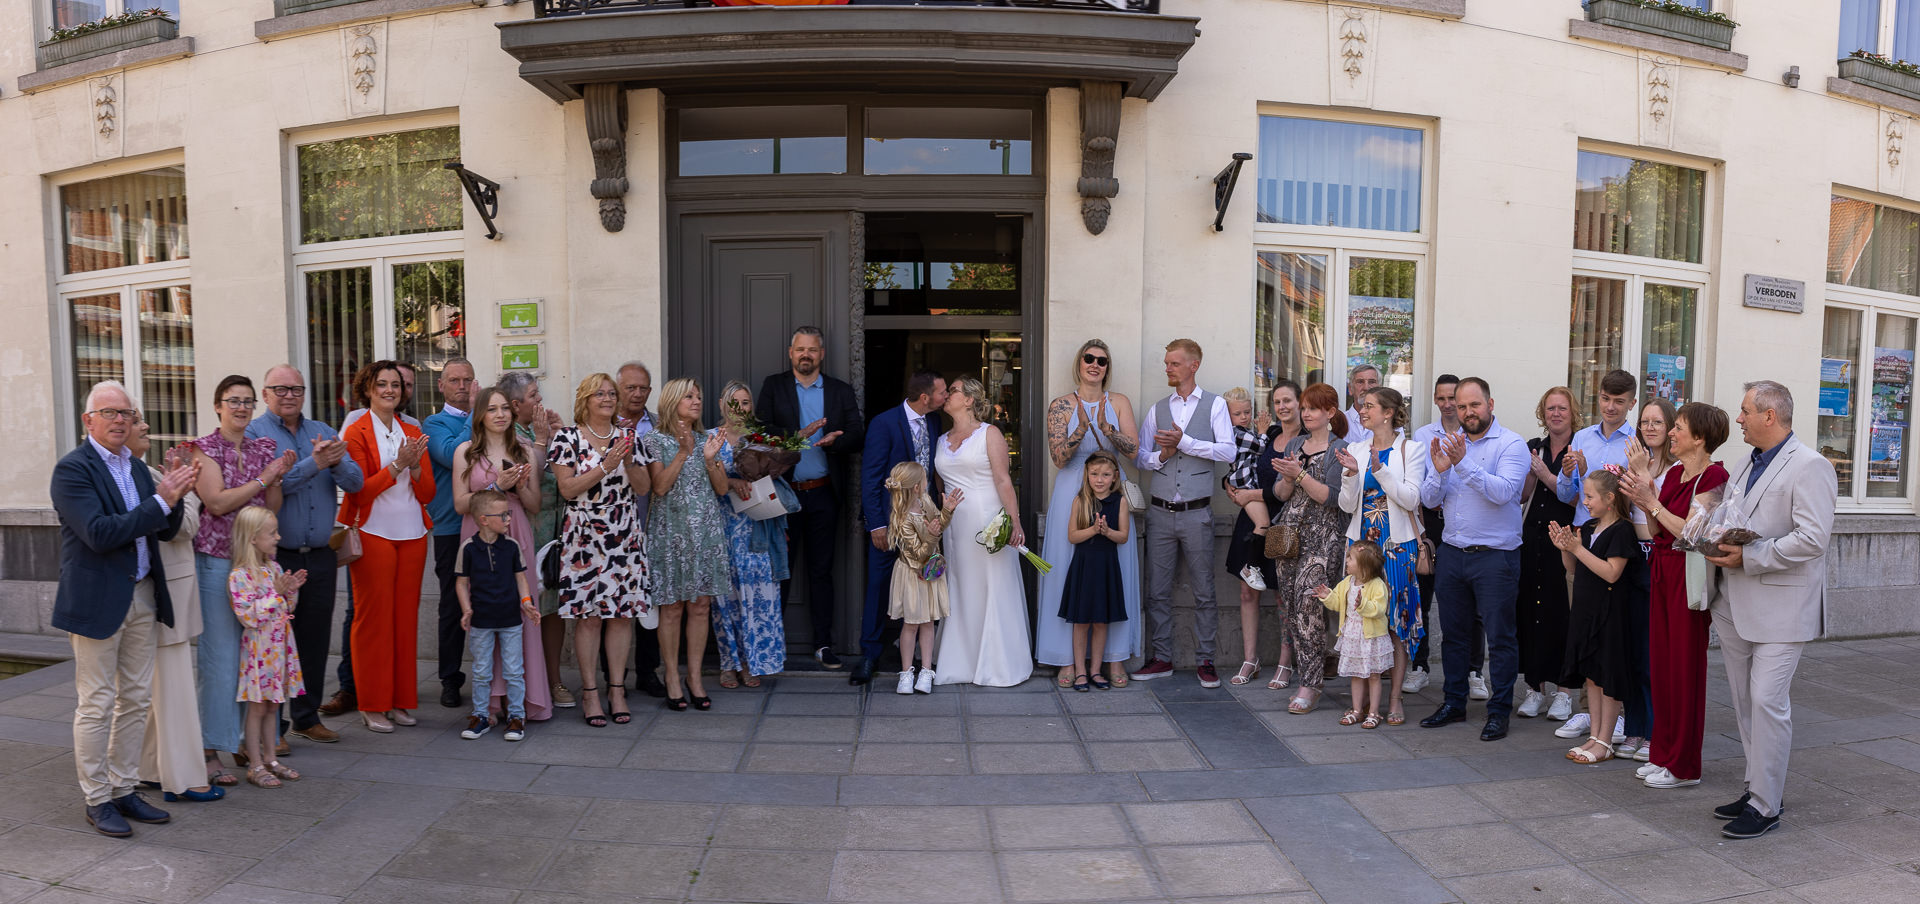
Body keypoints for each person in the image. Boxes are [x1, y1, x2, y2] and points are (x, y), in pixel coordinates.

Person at [53, 382, 195, 837]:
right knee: (96, 702)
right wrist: (160, 500)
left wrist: (174, 493)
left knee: (135, 699)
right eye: (110, 412)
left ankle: (124, 787)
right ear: (87, 421)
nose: (120, 420)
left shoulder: (135, 467)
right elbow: (98, 532)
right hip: (97, 601)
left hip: (142, 594)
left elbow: (164, 529)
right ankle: (97, 800)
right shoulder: (72, 470)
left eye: (127, 413)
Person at [1703, 381, 1836, 839]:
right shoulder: (1745, 463)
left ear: (1769, 416)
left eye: (1743, 412)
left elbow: (1814, 538)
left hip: (1783, 605)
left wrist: (1751, 557)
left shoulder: (1811, 466)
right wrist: (1710, 531)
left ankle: (1766, 805)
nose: (1737, 419)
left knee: (1767, 701)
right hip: (1735, 600)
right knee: (1744, 701)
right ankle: (1757, 785)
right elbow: (1736, 516)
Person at [247, 364, 364, 745]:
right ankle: (272, 728)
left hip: (320, 556)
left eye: (296, 389)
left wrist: (339, 459)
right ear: (265, 394)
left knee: (314, 640)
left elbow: (355, 482)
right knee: (275, 641)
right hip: (275, 558)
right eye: (279, 389)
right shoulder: (255, 435)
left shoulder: (323, 433)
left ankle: (306, 716)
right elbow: (267, 489)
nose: (289, 395)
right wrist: (316, 463)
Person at [184, 375, 294, 776]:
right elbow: (215, 502)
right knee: (222, 659)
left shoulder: (264, 447)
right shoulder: (204, 448)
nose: (242, 408)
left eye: (248, 401)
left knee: (254, 658)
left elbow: (272, 506)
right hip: (216, 561)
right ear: (217, 405)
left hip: (254, 566)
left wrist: (276, 480)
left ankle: (244, 745)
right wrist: (265, 477)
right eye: (233, 401)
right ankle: (211, 748)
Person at [1623, 401, 1730, 790]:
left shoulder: (1715, 476)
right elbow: (1656, 530)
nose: (1670, 432)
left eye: (1678, 427)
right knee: (1662, 666)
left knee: (1684, 670)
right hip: (1663, 572)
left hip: (1687, 574)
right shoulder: (1674, 476)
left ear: (1699, 437)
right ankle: (1663, 754)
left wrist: (1651, 502)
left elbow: (1692, 532)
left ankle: (1685, 766)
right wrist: (1644, 494)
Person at [1417, 377, 1530, 742]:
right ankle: (1454, 702)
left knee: (1499, 638)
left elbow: (1503, 493)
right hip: (1452, 553)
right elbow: (1432, 500)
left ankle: (1498, 711)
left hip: (1496, 557)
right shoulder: (1452, 445)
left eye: (1474, 405)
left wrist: (1462, 464)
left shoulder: (1511, 444)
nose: (1467, 412)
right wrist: (1439, 469)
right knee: (1454, 636)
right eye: (1462, 407)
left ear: (1490, 404)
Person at [756, 327, 866, 670]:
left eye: (813, 350)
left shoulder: (839, 391)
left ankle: (822, 644)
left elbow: (857, 434)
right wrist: (796, 436)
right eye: (801, 349)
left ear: (821, 354)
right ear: (791, 353)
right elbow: (759, 431)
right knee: (780, 571)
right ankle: (772, 645)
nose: (806, 355)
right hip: (783, 496)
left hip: (822, 494)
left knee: (821, 572)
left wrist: (837, 441)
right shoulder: (774, 386)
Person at [550, 374, 654, 726]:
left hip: (623, 532)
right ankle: (591, 694)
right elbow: (567, 489)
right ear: (585, 400)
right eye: (600, 393)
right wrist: (604, 466)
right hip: (583, 535)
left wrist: (625, 463)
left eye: (612, 393)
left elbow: (643, 487)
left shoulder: (629, 437)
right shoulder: (567, 438)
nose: (608, 399)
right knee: (589, 618)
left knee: (622, 615)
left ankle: (617, 689)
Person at [338, 361, 435, 734]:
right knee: (372, 621)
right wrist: (398, 465)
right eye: (382, 384)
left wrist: (413, 469)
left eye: (396, 385)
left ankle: (400, 701)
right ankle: (372, 704)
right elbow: (359, 489)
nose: (390, 390)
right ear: (368, 389)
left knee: (404, 620)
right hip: (373, 531)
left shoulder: (413, 428)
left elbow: (427, 492)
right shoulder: (356, 427)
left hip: (412, 533)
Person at [1036, 340, 1140, 688]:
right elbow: (1058, 458)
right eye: (1089, 358)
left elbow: (1133, 450)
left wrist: (1107, 428)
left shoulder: (1120, 402)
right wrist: (1081, 427)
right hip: (1072, 490)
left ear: (1107, 367)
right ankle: (1066, 657)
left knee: (1115, 569)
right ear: (1079, 362)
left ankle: (1113, 658)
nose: (1095, 364)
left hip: (1111, 488)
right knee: (1067, 569)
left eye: (1102, 361)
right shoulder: (1061, 405)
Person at [1132, 339, 1235, 687]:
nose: (1167, 369)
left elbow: (1228, 451)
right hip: (1160, 511)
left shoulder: (1216, 405)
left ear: (1193, 365)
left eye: (1174, 363)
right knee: (1157, 590)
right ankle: (1162, 658)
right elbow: (1141, 457)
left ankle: (1206, 659)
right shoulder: (1158, 408)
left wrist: (1185, 443)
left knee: (1204, 589)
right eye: (1166, 363)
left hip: (1197, 512)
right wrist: (1160, 457)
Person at [452, 387, 553, 723]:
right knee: (485, 613)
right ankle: (490, 702)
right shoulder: (465, 452)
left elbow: (536, 505)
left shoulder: (523, 450)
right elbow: (460, 503)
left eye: (504, 409)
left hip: (516, 532)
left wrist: (518, 485)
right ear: (480, 415)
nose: (500, 415)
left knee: (520, 612)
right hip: (478, 535)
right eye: (491, 409)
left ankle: (521, 699)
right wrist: (495, 486)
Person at [131, 421, 220, 802]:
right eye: (135, 422)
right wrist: (189, 492)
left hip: (169, 587)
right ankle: (184, 779)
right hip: (164, 591)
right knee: (175, 690)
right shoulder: (141, 476)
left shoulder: (147, 472)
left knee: (163, 689)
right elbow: (184, 527)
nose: (144, 425)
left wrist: (179, 486)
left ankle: (152, 769)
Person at [933, 377, 1033, 688]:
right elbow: (939, 486)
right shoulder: (941, 439)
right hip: (954, 526)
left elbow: (1004, 480)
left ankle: (998, 662)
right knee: (961, 586)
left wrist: (1014, 522)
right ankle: (961, 659)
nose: (948, 394)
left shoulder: (990, 434)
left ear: (970, 400)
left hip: (986, 519)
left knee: (991, 585)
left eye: (954, 390)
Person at [1336, 387, 1426, 726]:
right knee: (1361, 620)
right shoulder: (1355, 449)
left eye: (1369, 406)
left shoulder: (1411, 450)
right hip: (1362, 545)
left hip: (1398, 545)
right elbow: (1347, 506)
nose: (1362, 410)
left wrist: (1382, 470)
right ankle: (1362, 702)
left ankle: (1394, 697)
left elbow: (1411, 499)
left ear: (1388, 412)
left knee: (1395, 623)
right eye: (1362, 405)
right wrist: (1350, 476)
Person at [644, 377, 733, 711]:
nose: (697, 401)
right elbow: (660, 488)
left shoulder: (708, 439)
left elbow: (723, 489)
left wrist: (710, 458)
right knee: (672, 608)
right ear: (672, 401)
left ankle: (694, 678)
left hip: (705, 533)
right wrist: (684, 452)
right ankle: (670, 675)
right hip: (671, 533)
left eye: (699, 396)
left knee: (700, 606)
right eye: (689, 396)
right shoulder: (653, 440)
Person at [858, 371, 949, 686]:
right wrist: (877, 524)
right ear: (925, 398)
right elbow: (870, 477)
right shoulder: (884, 424)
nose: (946, 397)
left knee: (926, 584)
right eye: (942, 392)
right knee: (879, 585)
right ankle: (869, 654)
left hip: (925, 521)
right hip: (892, 522)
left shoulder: (935, 422)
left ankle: (922, 662)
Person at [1548, 470, 1641, 765]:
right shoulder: (1588, 528)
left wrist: (1577, 548)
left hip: (1610, 614)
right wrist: (1566, 549)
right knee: (1592, 677)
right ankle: (1595, 735)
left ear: (1610, 499)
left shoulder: (1623, 531)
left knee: (1607, 676)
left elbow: (1612, 572)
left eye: (1589, 496)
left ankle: (1605, 739)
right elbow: (1575, 569)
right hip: (1586, 612)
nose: (1585, 501)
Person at [1271, 383, 1353, 714]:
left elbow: (1332, 498)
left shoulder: (1340, 449)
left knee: (1309, 600)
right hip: (1289, 534)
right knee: (1292, 606)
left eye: (1313, 408)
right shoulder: (1294, 443)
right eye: (1304, 407)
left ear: (1330, 412)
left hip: (1326, 535)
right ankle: (1313, 670)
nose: (1305, 413)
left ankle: (1310, 684)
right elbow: (1279, 494)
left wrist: (1300, 473)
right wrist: (1288, 479)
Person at [501, 371, 574, 708]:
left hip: (554, 529)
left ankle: (554, 680)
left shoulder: (538, 428)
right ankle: (528, 685)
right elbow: (529, 477)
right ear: (515, 405)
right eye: (533, 396)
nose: (540, 401)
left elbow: (563, 469)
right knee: (530, 607)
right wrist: (545, 440)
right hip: (527, 528)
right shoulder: (509, 434)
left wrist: (561, 436)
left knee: (554, 609)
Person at [711, 381, 791, 689]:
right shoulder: (709, 439)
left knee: (757, 596)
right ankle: (729, 663)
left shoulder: (761, 439)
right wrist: (730, 482)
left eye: (745, 403)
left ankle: (752, 662)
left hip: (755, 527)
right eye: (734, 402)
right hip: (721, 526)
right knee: (726, 599)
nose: (740, 409)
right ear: (721, 404)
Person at [227, 506, 306, 788]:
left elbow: (285, 607)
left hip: (278, 649)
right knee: (257, 708)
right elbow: (249, 615)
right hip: (259, 651)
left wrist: (291, 591)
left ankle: (271, 758)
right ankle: (255, 763)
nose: (278, 537)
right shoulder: (239, 576)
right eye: (271, 533)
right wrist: (278, 593)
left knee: (274, 706)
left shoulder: (272, 568)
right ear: (252, 538)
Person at [1228, 381, 1300, 690]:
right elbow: (1239, 463)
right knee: (1247, 592)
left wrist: (1249, 495)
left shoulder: (1305, 441)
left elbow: (1290, 491)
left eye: (1288, 401)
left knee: (1283, 595)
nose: (1283, 406)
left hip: (1284, 525)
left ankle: (1285, 663)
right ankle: (1250, 659)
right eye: (1278, 401)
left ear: (1299, 404)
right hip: (1253, 520)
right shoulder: (1268, 435)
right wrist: (1231, 489)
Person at [455, 489, 540, 742]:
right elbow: (461, 582)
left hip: (511, 619)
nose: (508, 519)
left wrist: (526, 602)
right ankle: (480, 715)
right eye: (503, 515)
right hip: (481, 620)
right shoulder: (468, 548)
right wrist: (466, 608)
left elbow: (521, 578)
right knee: (481, 670)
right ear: (483, 519)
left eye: (508, 514)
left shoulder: (511, 546)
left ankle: (516, 716)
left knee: (514, 670)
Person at [1517, 387, 1579, 724]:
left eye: (1562, 408)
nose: (1556, 414)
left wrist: (1545, 474)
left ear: (1573, 412)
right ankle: (1534, 688)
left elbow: (1578, 500)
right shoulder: (1533, 447)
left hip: (1566, 540)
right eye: (1550, 408)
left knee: (1562, 613)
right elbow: (1524, 496)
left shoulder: (1580, 449)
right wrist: (1530, 473)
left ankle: (1565, 693)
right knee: (1530, 611)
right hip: (1533, 538)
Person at [424, 358, 479, 709]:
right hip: (450, 527)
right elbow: (450, 454)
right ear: (441, 386)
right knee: (450, 605)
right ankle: (449, 678)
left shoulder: (487, 418)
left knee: (491, 601)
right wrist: (475, 413)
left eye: (468, 380)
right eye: (454, 381)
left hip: (487, 524)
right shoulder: (435, 422)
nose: (462, 386)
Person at [615, 361, 669, 699]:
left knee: (650, 604)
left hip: (650, 523)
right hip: (611, 528)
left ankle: (648, 672)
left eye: (643, 388)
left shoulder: (659, 427)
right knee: (613, 606)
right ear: (618, 388)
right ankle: (613, 677)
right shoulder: (601, 424)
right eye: (630, 387)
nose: (637, 394)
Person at [1407, 374, 1462, 693]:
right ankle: (1419, 665)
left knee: (1466, 603)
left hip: (1465, 522)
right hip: (1431, 520)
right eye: (1441, 398)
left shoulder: (1473, 433)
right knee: (1422, 597)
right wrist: (1418, 529)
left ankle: (1472, 671)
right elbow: (1419, 483)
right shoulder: (1424, 434)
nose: (1447, 404)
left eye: (1452, 397)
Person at [1058, 451, 1131, 693]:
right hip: (1084, 567)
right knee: (1081, 622)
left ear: (1115, 477)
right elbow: (1072, 536)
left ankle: (1096, 670)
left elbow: (1123, 537)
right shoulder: (1080, 500)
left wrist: (1107, 531)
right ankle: (1080, 671)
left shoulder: (1119, 501)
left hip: (1106, 568)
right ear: (1087, 475)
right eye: (1095, 474)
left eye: (1106, 475)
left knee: (1101, 621)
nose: (1100, 479)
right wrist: (1093, 530)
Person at [884, 462, 958, 695]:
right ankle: (906, 673)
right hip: (913, 574)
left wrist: (946, 511)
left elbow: (939, 525)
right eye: (924, 480)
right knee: (911, 624)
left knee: (928, 622)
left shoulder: (924, 501)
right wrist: (932, 535)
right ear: (916, 486)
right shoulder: (903, 518)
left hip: (929, 572)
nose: (927, 483)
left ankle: (926, 671)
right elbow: (918, 553)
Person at [1316, 541, 1391, 729]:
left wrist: (1363, 605)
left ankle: (1373, 712)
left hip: (1371, 637)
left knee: (1374, 675)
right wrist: (1327, 595)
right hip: (1352, 636)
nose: (1346, 561)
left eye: (1350, 558)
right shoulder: (1347, 583)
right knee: (1356, 675)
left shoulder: (1377, 585)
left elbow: (1379, 609)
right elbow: (1337, 603)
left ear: (1364, 566)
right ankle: (1357, 710)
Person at [1222, 388, 1274, 590]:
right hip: (1244, 484)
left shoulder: (1243, 432)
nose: (1244, 417)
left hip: (1247, 483)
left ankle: (1251, 566)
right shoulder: (1235, 433)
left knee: (1263, 523)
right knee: (1263, 523)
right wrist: (1263, 430)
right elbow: (1260, 447)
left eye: (1247, 412)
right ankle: (1250, 567)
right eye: (1238, 414)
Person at [1341, 364, 1382, 447]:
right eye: (1360, 382)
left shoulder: (1390, 422)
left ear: (1380, 388)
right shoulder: (1340, 422)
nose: (1366, 387)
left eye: (1372, 382)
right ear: (1350, 389)